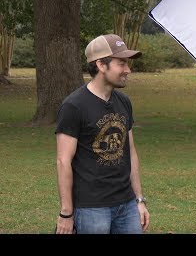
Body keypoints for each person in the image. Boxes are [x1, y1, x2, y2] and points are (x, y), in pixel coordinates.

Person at [55, 34, 150, 234]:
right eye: (121, 63)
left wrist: (139, 199)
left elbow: (130, 152)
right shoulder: (74, 106)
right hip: (91, 208)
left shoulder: (124, 102)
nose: (128, 70)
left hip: (127, 204)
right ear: (101, 65)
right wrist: (66, 213)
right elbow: (63, 161)